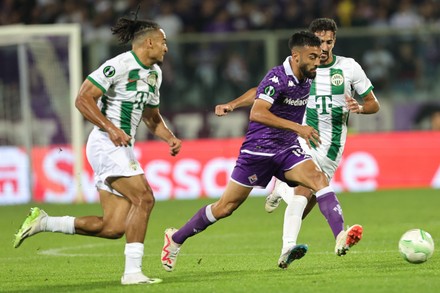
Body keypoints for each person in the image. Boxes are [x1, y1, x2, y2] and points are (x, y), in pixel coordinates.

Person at [13, 15, 182, 285]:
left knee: (113, 227)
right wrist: (111, 127)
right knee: (145, 199)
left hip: (122, 147)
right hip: (105, 142)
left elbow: (151, 117)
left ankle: (44, 222)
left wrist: (169, 137)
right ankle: (132, 273)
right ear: (149, 42)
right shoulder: (119, 65)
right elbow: (82, 99)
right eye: (163, 42)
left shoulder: (154, 74)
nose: (166, 48)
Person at [161, 30, 341, 273]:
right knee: (225, 207)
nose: (316, 63)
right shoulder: (277, 77)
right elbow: (257, 112)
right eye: (312, 57)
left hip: (288, 148)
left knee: (318, 179)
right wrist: (298, 127)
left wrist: (233, 103)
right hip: (258, 151)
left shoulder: (307, 75)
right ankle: (176, 239)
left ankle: (341, 235)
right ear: (296, 56)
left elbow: (259, 89)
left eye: (318, 58)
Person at [215, 18, 380, 267]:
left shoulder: (349, 68)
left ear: (335, 40)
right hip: (300, 139)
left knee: (304, 202)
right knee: (303, 192)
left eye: (329, 41)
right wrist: (233, 104)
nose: (324, 48)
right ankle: (299, 244)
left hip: (332, 147)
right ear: (311, 41)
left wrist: (359, 108)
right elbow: (261, 91)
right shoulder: (303, 68)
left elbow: (373, 104)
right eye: (320, 42)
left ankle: (281, 190)